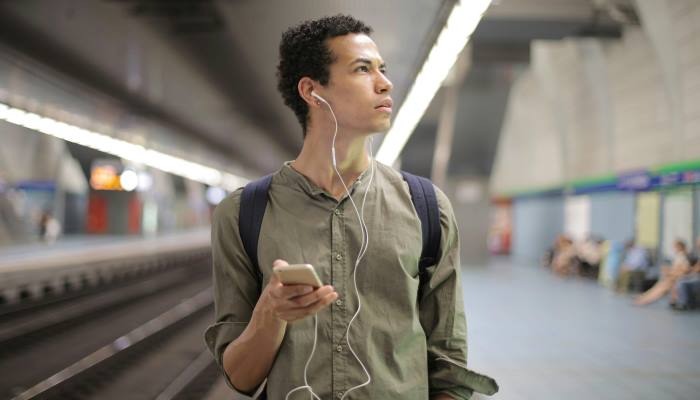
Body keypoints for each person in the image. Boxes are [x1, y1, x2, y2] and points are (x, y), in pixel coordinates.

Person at [204, 15, 497, 400]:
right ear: (312, 91)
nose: (385, 82)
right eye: (362, 69)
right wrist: (271, 314)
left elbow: (449, 365)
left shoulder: (426, 207)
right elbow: (241, 378)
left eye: (382, 69)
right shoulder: (244, 214)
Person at [634, 239, 691, 306]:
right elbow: (678, 269)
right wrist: (669, 271)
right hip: (673, 276)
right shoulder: (679, 256)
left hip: (677, 277)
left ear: (680, 247)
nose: (674, 248)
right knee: (659, 285)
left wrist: (671, 273)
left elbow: (684, 270)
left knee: (662, 287)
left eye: (675, 246)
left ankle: (646, 299)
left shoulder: (684, 256)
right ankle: (645, 297)